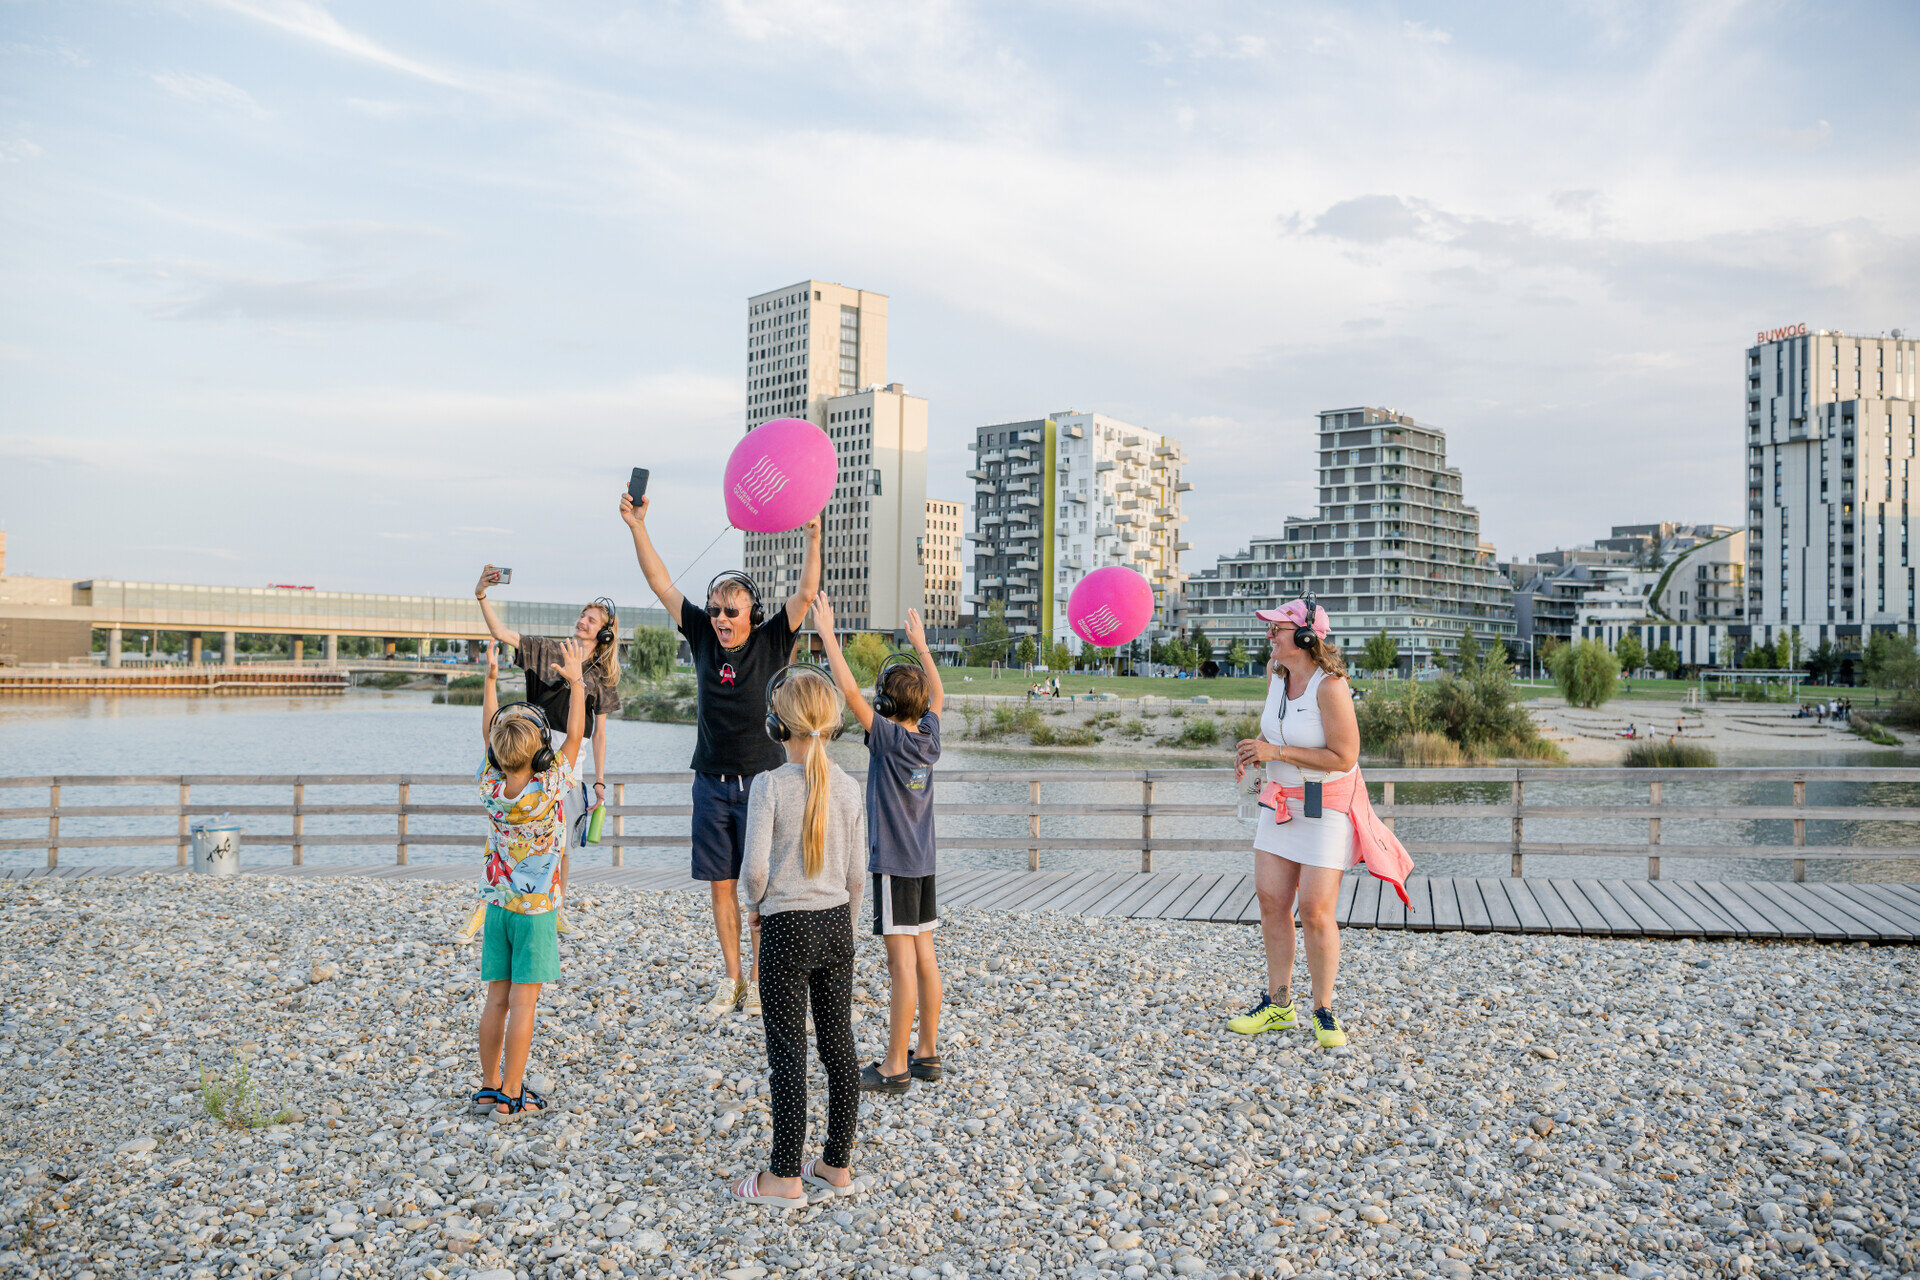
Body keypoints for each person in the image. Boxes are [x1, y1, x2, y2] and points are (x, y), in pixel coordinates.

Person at [620, 490, 821, 1017]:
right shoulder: (703, 637)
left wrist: (814, 535)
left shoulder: (772, 640)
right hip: (711, 783)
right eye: (714, 610)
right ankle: (732, 979)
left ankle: (759, 981)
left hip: (763, 784)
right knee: (722, 887)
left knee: (763, 888)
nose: (720, 618)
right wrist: (638, 527)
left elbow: (806, 592)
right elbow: (661, 583)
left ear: (752, 613)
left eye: (731, 611)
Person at [1227, 599, 1411, 1049]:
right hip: (1279, 804)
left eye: (1277, 628)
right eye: (1270, 628)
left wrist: (1276, 752)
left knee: (1314, 910)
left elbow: (1344, 757)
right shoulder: (1276, 675)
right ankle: (1278, 1005)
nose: (1270, 635)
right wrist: (1255, 749)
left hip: (1325, 809)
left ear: (1307, 637)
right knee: (1272, 902)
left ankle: (1323, 1011)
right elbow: (1276, 731)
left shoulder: (1331, 687)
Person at [734, 667, 867, 1208]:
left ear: (776, 725)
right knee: (839, 1047)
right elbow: (857, 877)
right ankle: (836, 1164)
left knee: (788, 1051)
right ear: (832, 726)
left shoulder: (769, 786)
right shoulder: (850, 787)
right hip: (835, 923)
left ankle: (785, 1175)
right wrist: (847, 930)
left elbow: (755, 871)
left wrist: (753, 907)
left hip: (785, 927)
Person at [814, 597, 945, 1094]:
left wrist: (828, 634)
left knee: (901, 965)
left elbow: (848, 691)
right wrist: (923, 648)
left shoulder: (888, 739)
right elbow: (939, 698)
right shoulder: (929, 738)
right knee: (925, 955)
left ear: (886, 707)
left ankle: (895, 1066)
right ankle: (927, 1052)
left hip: (894, 865)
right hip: (924, 863)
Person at [471, 637, 588, 1121]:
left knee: (495, 1000)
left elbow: (488, 733)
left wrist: (491, 680)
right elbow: (576, 735)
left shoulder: (490, 785)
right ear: (542, 755)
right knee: (524, 1005)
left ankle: (488, 1087)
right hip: (536, 913)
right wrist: (577, 682)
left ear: (497, 754)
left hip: (497, 909)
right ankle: (513, 1094)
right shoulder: (549, 784)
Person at [475, 568, 622, 856]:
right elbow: (500, 633)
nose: (582, 621)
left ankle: (555, 889)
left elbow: (600, 734)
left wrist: (600, 781)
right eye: (582, 615)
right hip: (531, 755)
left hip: (570, 766)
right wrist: (481, 595)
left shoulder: (603, 676)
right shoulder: (545, 650)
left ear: (605, 634)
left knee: (562, 847)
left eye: (591, 620)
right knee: (526, 837)